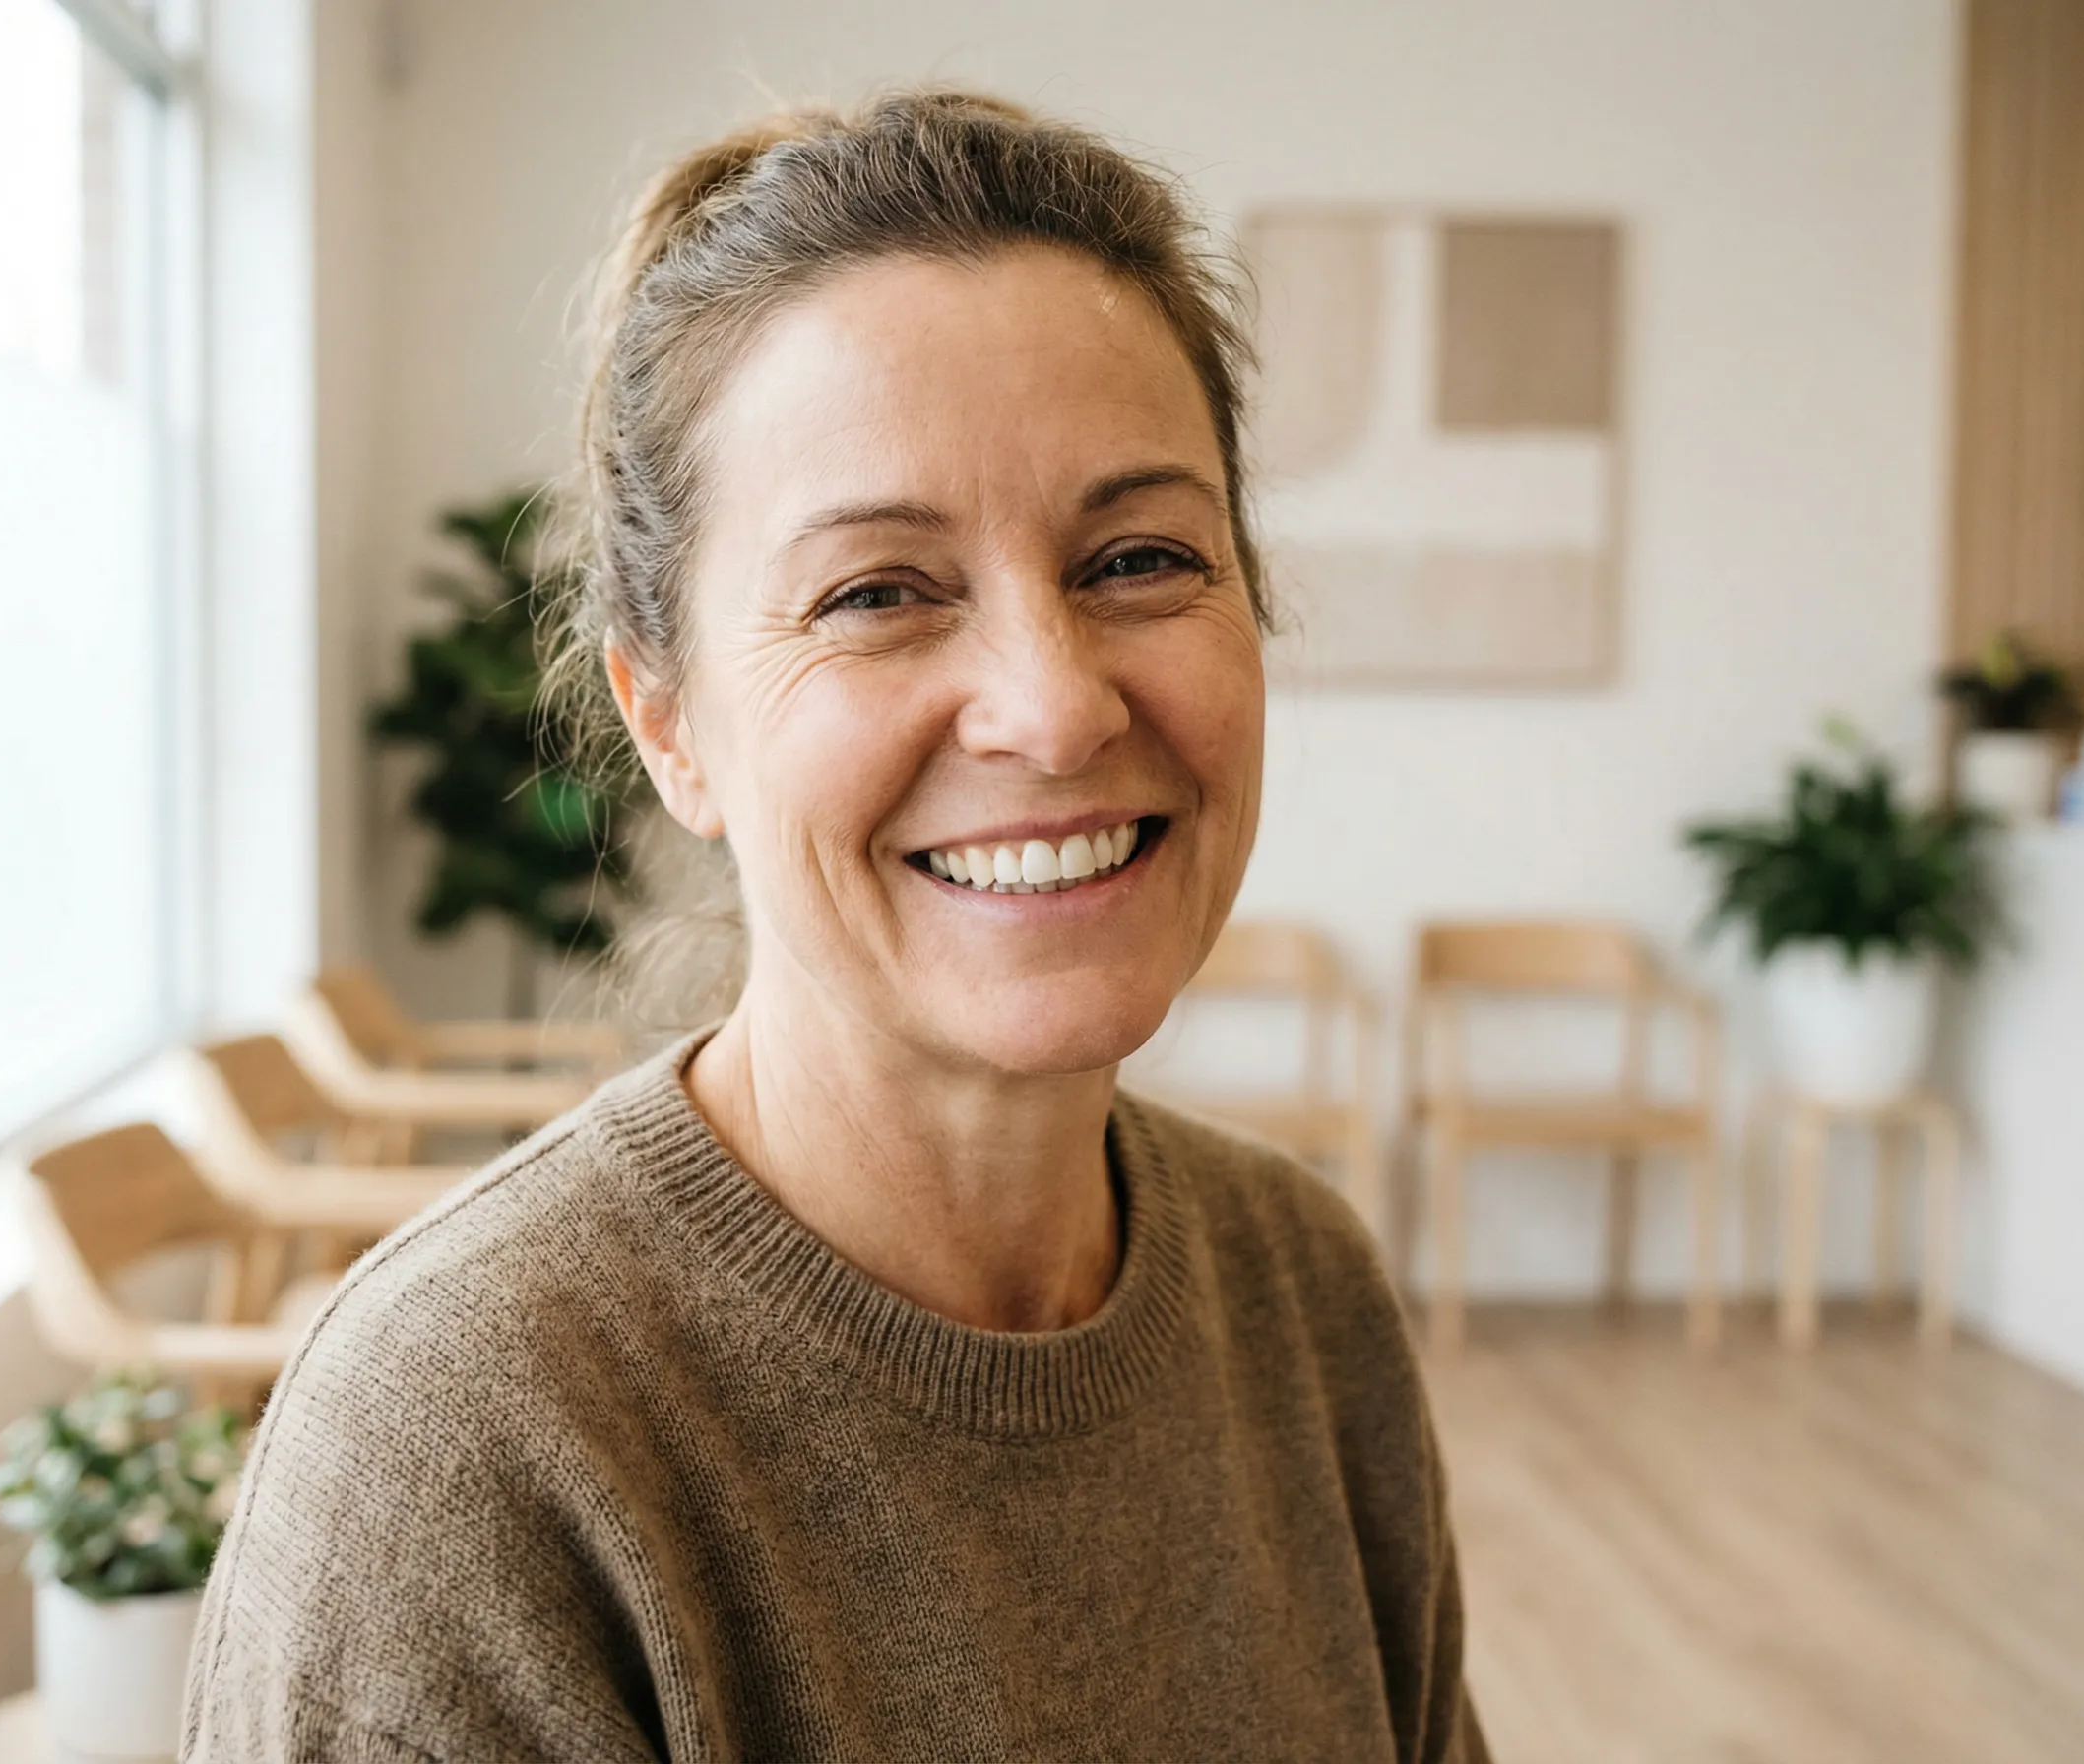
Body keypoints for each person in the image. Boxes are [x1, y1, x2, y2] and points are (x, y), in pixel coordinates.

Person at [186, 89, 1489, 1763]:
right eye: (878, 592)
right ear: (668, 723)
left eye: (1141, 557)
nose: (1051, 706)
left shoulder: (1306, 1298)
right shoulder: (467, 1448)